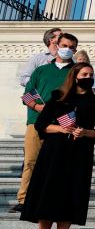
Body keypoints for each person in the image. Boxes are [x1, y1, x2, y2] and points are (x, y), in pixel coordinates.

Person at [21, 62, 95, 229]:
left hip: (79, 155)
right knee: (46, 196)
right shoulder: (57, 98)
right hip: (53, 153)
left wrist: (85, 132)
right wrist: (62, 129)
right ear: (75, 75)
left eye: (91, 74)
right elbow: (41, 125)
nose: (88, 77)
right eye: (85, 74)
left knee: (70, 197)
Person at [14, 32, 78, 213]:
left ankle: (48, 198)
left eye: (72, 47)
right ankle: (24, 199)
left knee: (57, 163)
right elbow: (27, 94)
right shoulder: (41, 70)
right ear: (57, 46)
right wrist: (38, 107)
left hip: (63, 123)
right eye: (64, 46)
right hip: (36, 121)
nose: (67, 50)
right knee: (31, 161)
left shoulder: (76, 71)